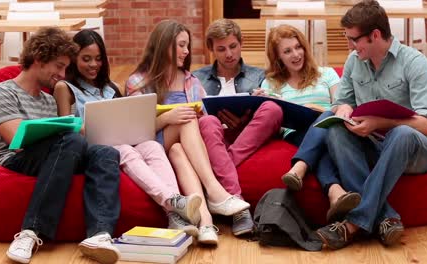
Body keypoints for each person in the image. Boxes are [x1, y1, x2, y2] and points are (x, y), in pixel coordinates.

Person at [0, 27, 122, 264]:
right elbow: (16, 139)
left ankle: (100, 234)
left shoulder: (48, 100)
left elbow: (63, 144)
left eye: (65, 67)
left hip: (54, 156)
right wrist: (66, 131)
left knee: (105, 152)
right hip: (15, 159)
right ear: (38, 59)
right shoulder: (1, 92)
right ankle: (31, 232)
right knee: (70, 139)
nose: (62, 73)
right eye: (58, 66)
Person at [53, 29, 202, 237]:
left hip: (122, 138)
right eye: (86, 59)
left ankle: (174, 217)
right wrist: (85, 127)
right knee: (123, 149)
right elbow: (66, 126)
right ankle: (173, 202)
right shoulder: (65, 87)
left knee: (153, 146)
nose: (93, 65)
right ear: (73, 59)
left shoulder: (110, 86)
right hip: (95, 148)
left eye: (98, 59)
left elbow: (126, 118)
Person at [315, 0, 427, 250]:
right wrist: (344, 109)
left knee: (402, 133)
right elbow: (341, 102)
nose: (350, 45)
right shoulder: (353, 61)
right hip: (373, 143)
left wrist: (381, 122)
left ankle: (353, 225)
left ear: (375, 35)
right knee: (335, 130)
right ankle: (385, 218)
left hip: (417, 150)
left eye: (354, 39)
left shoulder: (415, 62)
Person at [126, 20, 250, 245]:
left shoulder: (191, 81)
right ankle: (215, 191)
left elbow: (203, 118)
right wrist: (165, 119)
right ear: (164, 45)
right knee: (186, 118)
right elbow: (133, 131)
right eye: (181, 45)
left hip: (179, 146)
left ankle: (205, 222)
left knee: (178, 149)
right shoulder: (138, 81)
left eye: (187, 46)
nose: (186, 51)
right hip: (151, 145)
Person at [261, 24, 362, 223]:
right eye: (287, 51)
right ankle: (335, 192)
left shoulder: (327, 74)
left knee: (324, 122)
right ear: (278, 57)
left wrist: (316, 108)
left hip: (329, 126)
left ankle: (300, 167)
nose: (296, 54)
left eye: (298, 47)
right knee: (316, 140)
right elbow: (275, 122)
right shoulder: (270, 83)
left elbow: (341, 106)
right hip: (296, 132)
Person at [193, 18, 283, 236]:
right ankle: (239, 209)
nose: (229, 54)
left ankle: (221, 173)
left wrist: (258, 103)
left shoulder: (259, 75)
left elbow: (270, 117)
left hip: (247, 134)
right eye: (221, 49)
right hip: (213, 137)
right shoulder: (197, 78)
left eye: (233, 46)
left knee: (273, 108)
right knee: (207, 121)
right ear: (211, 49)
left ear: (241, 43)